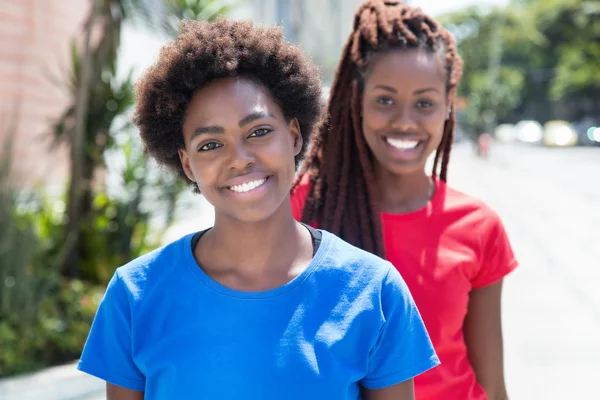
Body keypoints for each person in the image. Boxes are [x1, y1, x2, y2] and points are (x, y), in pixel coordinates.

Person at [77, 17, 440, 400]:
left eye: (259, 131)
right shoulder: (134, 296)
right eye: (210, 144)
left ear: (295, 135)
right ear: (187, 163)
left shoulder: (374, 291)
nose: (240, 159)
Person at [291, 1, 518, 399]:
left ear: (449, 105)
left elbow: (492, 384)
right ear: (355, 99)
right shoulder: (303, 211)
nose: (405, 122)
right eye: (385, 100)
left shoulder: (479, 226)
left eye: (425, 103)